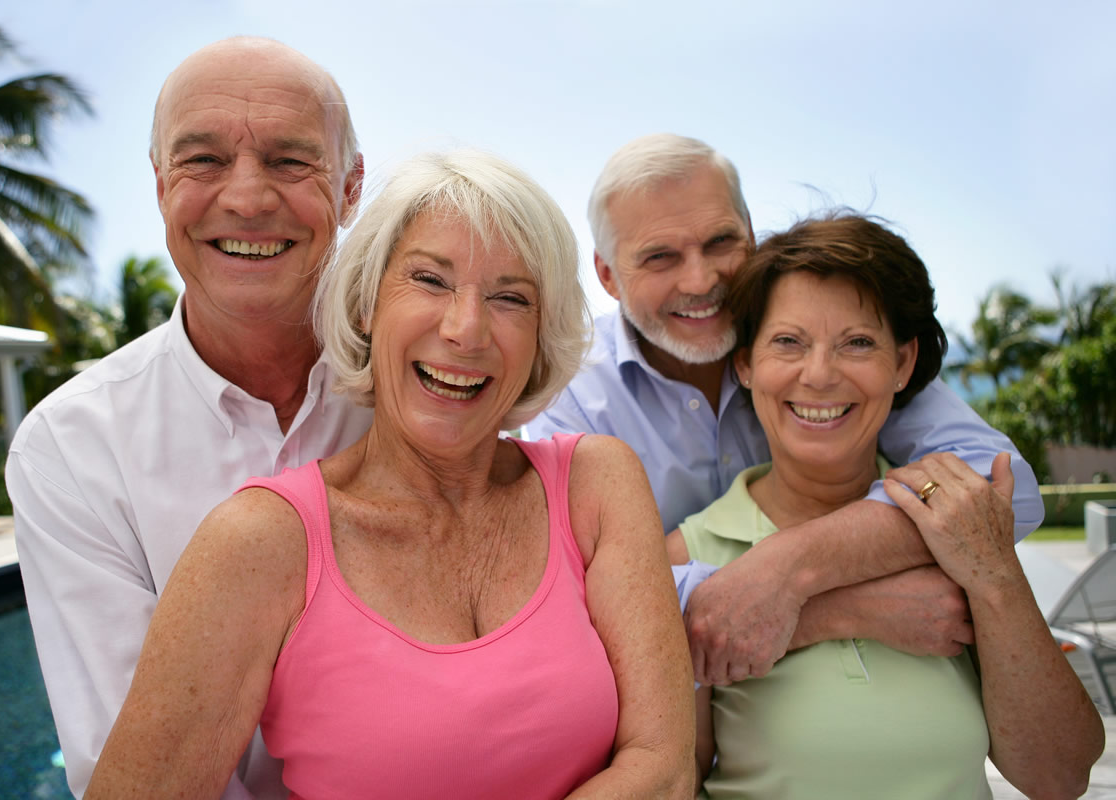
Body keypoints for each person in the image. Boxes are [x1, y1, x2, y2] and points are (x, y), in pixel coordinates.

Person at [84, 149, 695, 799]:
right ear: (368, 303)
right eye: (430, 281)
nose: (466, 329)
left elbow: (665, 764)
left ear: (541, 336)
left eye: (509, 297)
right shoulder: (260, 542)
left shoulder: (595, 485)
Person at [525, 133, 1045, 685]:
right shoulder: (571, 398)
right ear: (608, 275)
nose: (701, 281)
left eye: (721, 241)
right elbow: (571, 602)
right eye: (660, 257)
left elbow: (1005, 486)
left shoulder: (824, 345)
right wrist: (839, 610)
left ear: (750, 234)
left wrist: (792, 562)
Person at [6, 38, 371, 798]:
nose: (246, 198)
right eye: (203, 160)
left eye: (288, 160)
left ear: (350, 187)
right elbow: (133, 771)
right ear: (160, 182)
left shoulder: (432, 389)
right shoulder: (72, 449)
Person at [670, 214, 1103, 799]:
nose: (819, 375)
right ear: (745, 366)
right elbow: (674, 783)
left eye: (857, 343)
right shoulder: (688, 552)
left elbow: (1060, 776)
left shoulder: (954, 525)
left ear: (902, 364)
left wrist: (994, 577)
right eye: (788, 342)